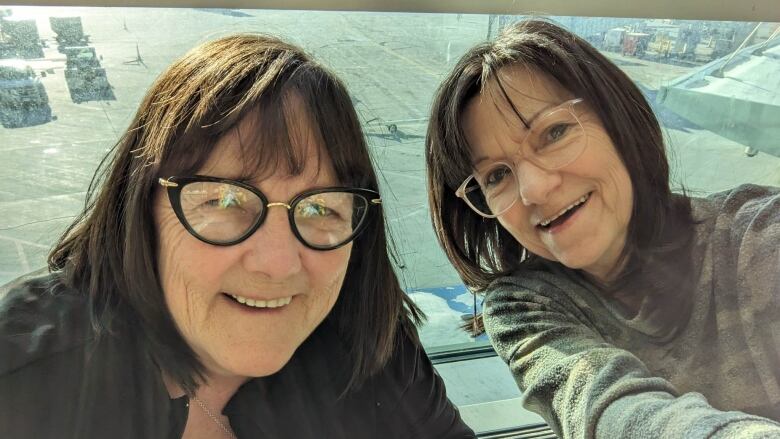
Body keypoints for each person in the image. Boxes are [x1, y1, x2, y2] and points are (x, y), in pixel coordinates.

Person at [0, 34, 475, 439]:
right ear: (139, 209)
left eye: (319, 208)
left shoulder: (372, 347)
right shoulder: (23, 376)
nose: (278, 263)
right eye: (224, 201)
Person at [426, 19, 780, 438]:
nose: (534, 190)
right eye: (496, 177)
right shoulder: (524, 306)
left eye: (554, 132)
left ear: (619, 121)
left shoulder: (754, 238)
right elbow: (608, 408)